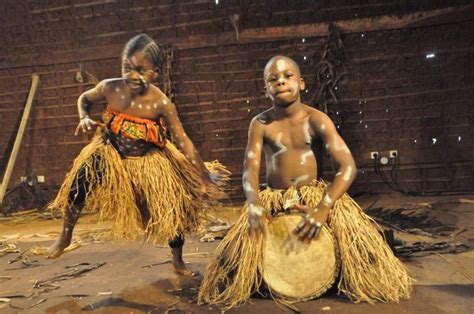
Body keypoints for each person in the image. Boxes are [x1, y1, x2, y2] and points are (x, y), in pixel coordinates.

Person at [199, 55, 411, 308]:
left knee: (365, 260)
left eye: (287, 76)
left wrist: (324, 207)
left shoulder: (316, 120)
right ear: (266, 89)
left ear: (301, 83)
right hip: (272, 196)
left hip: (314, 196)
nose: (280, 82)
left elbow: (348, 166)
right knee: (229, 268)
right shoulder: (260, 124)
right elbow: (250, 168)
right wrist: (254, 203)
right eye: (273, 79)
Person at [47, 34, 228, 276]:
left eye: (141, 70)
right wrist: (84, 117)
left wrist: (203, 173)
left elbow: (183, 140)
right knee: (78, 183)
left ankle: (177, 260)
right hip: (109, 152)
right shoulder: (110, 87)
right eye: (127, 67)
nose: (132, 75)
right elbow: (85, 99)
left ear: (155, 72)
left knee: (173, 208)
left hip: (149, 161)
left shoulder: (161, 103)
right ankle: (65, 236)